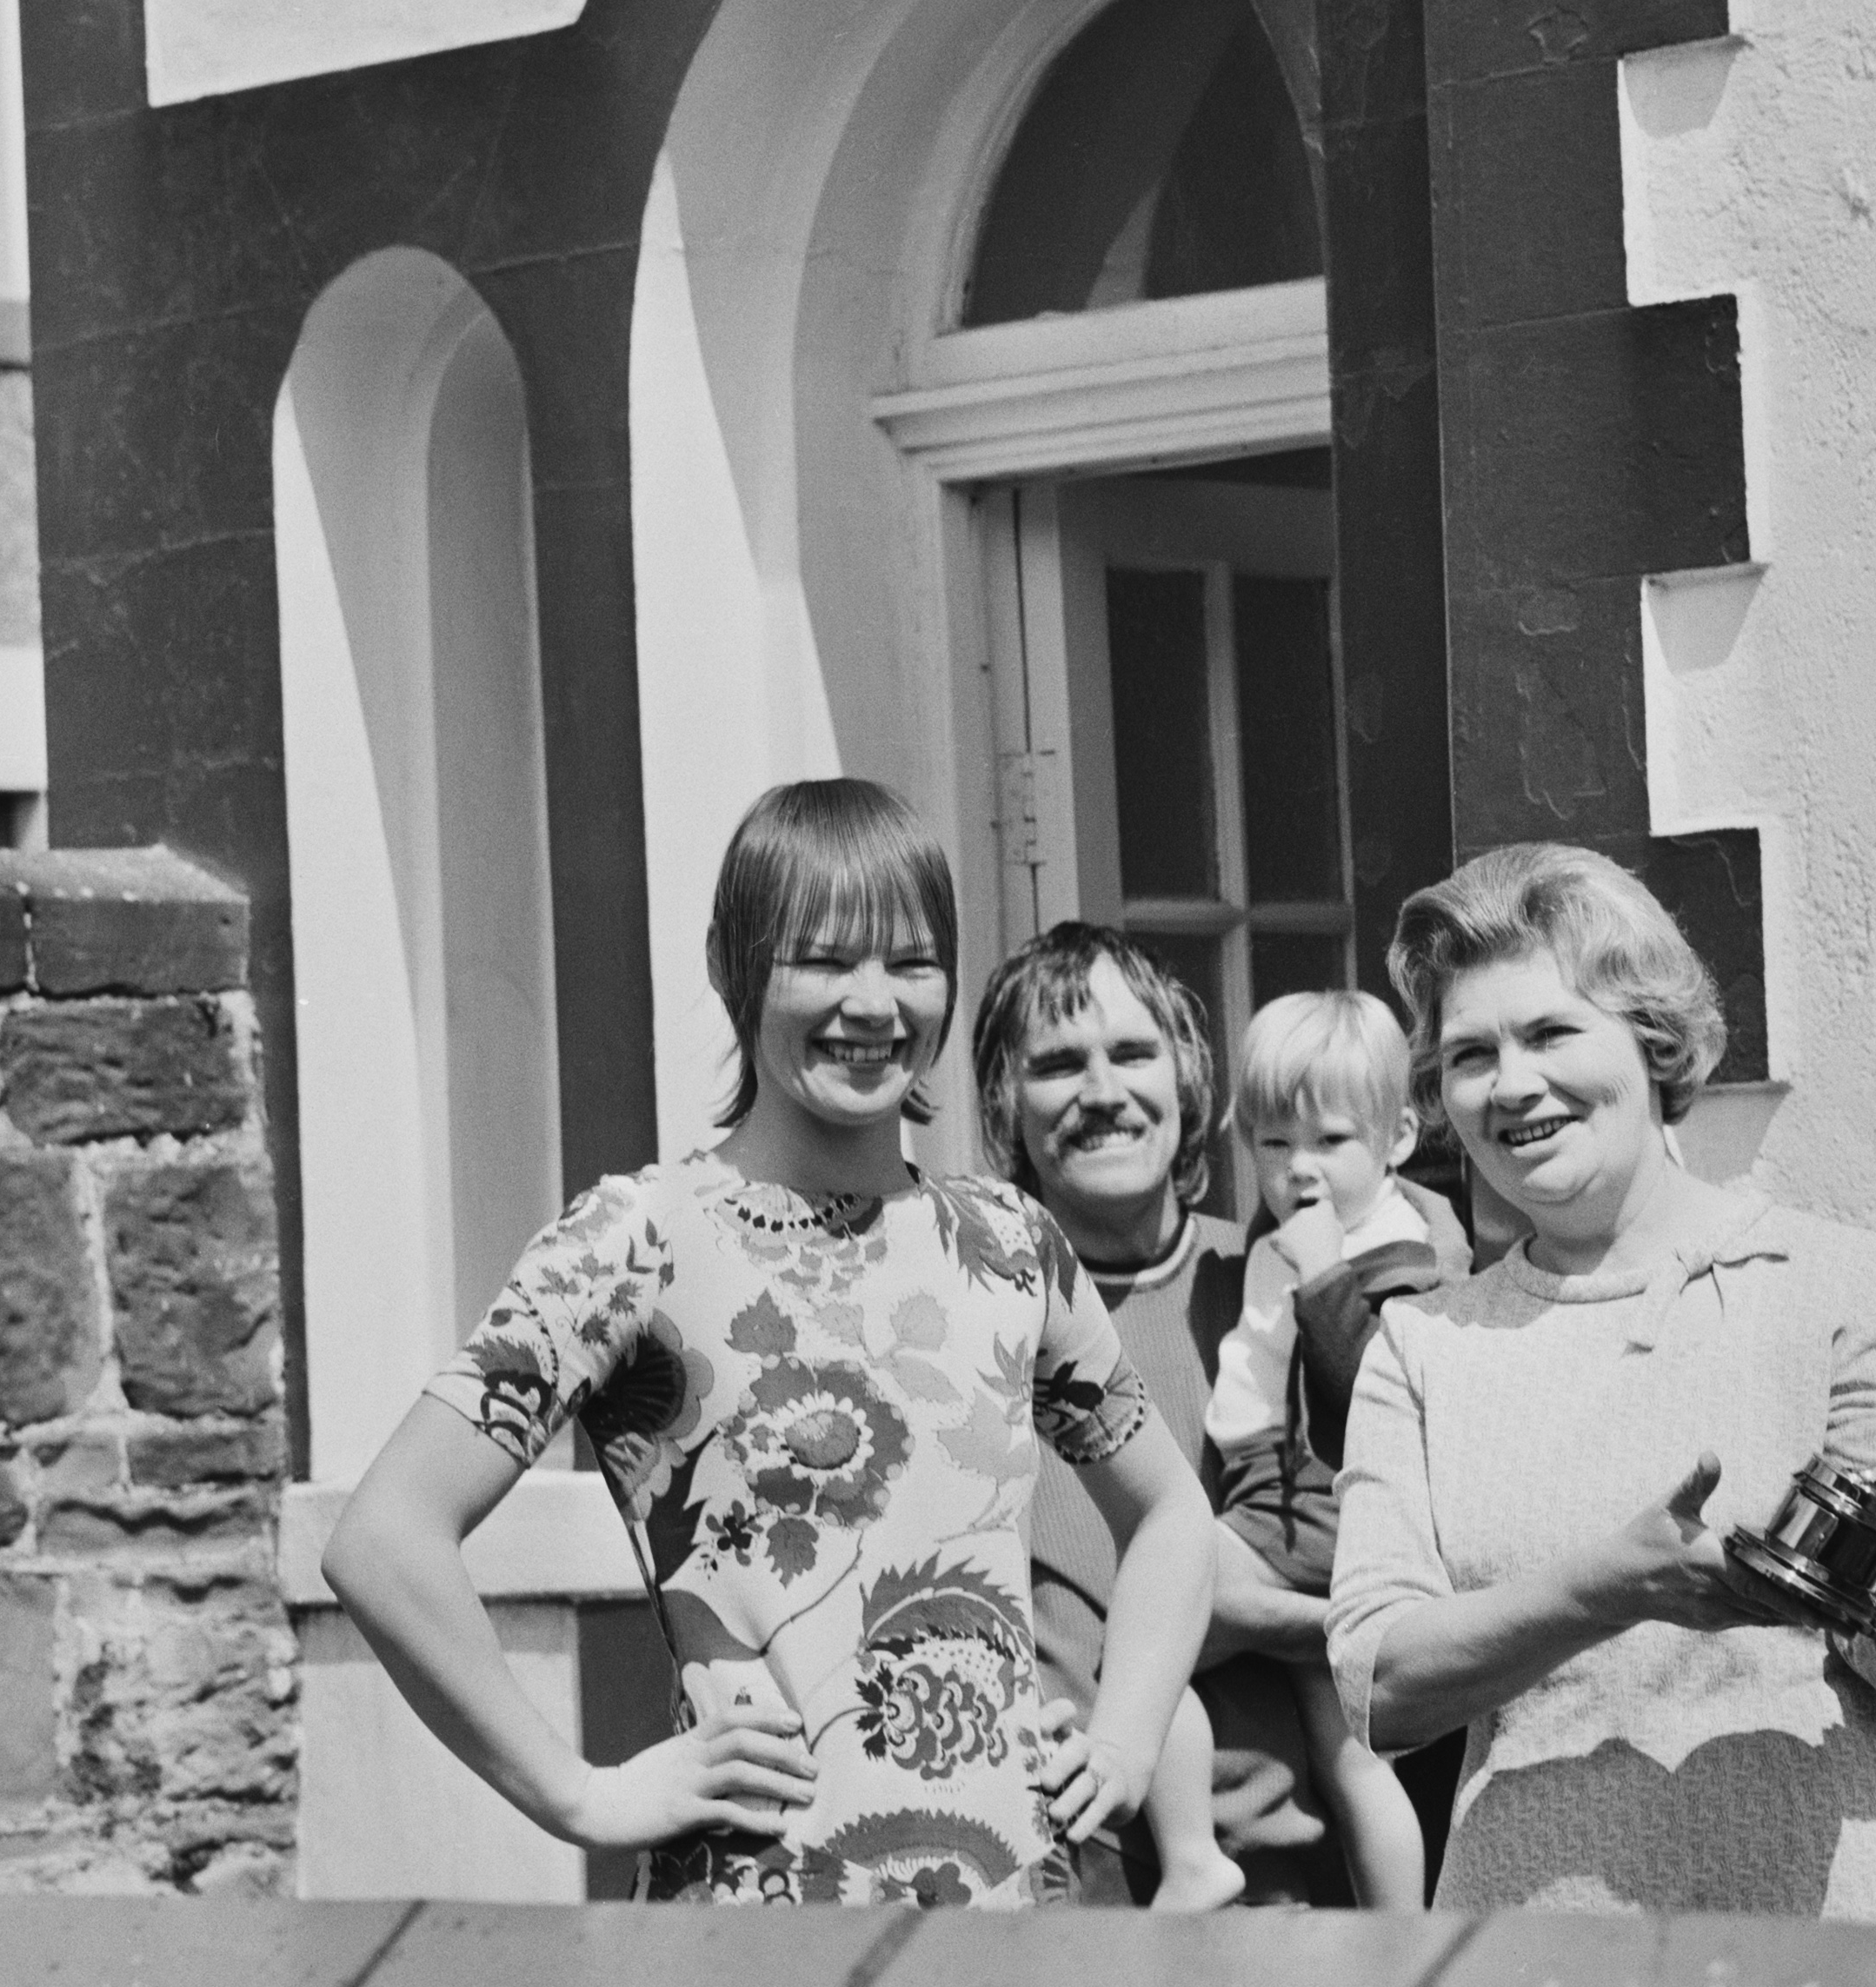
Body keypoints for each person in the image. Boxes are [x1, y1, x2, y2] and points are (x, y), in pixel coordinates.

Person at [323, 779, 1215, 1909]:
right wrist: (580, 1796)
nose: (874, 1003)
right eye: (824, 960)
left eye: (911, 961)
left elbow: (1174, 1516)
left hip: (1014, 1931)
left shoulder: (1008, 1243)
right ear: (729, 963)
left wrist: (1126, 1743)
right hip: (757, 1931)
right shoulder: (636, 1245)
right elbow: (384, 1538)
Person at [1325, 841, 1876, 1920]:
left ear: (1652, 1040)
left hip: (1831, 1944)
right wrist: (1608, 1589)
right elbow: (1381, 1688)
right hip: (1537, 1967)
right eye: (1470, 1054)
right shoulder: (1425, 1343)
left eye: (1551, 1032)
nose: (1512, 1083)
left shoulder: (1835, 1285)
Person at [974, 920, 1456, 1907]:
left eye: (1132, 1053)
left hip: (1315, 1883)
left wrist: (1313, 1627)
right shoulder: (974, 1326)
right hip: (1082, 1875)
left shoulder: (1273, 1285)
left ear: (1188, 1082)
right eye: (1058, 1065)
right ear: (1004, 1106)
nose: (1102, 1092)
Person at [1197, 990, 1442, 1908]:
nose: (1298, 1169)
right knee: (1350, 1758)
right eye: (1272, 1143)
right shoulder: (1294, 1237)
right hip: (1267, 1487)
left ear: (1397, 1141)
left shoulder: (1396, 1257)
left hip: (1313, 1505)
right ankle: (1393, 1929)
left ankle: (1191, 1848)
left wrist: (1322, 1271)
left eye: (1330, 1141)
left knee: (1157, 1614)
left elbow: (1365, 1403)